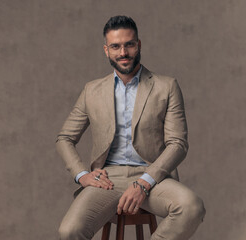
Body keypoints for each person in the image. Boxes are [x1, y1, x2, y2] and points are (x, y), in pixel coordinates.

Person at [56, 16, 206, 240]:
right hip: (107, 180)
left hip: (153, 176)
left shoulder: (166, 86)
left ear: (139, 45)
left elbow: (178, 144)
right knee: (69, 231)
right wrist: (82, 175)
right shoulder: (92, 90)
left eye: (129, 44)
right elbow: (64, 138)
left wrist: (145, 182)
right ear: (106, 50)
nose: (123, 52)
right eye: (115, 46)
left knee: (192, 208)